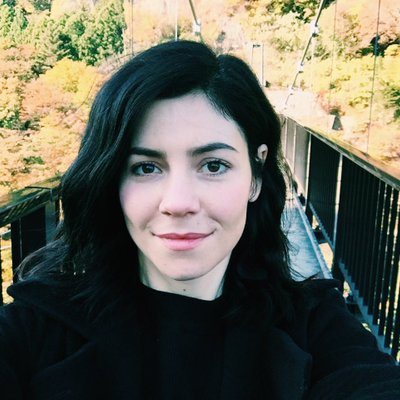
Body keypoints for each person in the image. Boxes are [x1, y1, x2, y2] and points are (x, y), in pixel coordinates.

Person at [0, 40, 399, 400]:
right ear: (111, 181)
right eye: (146, 168)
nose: (178, 203)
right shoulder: (35, 329)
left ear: (256, 176)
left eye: (213, 165)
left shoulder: (317, 327)